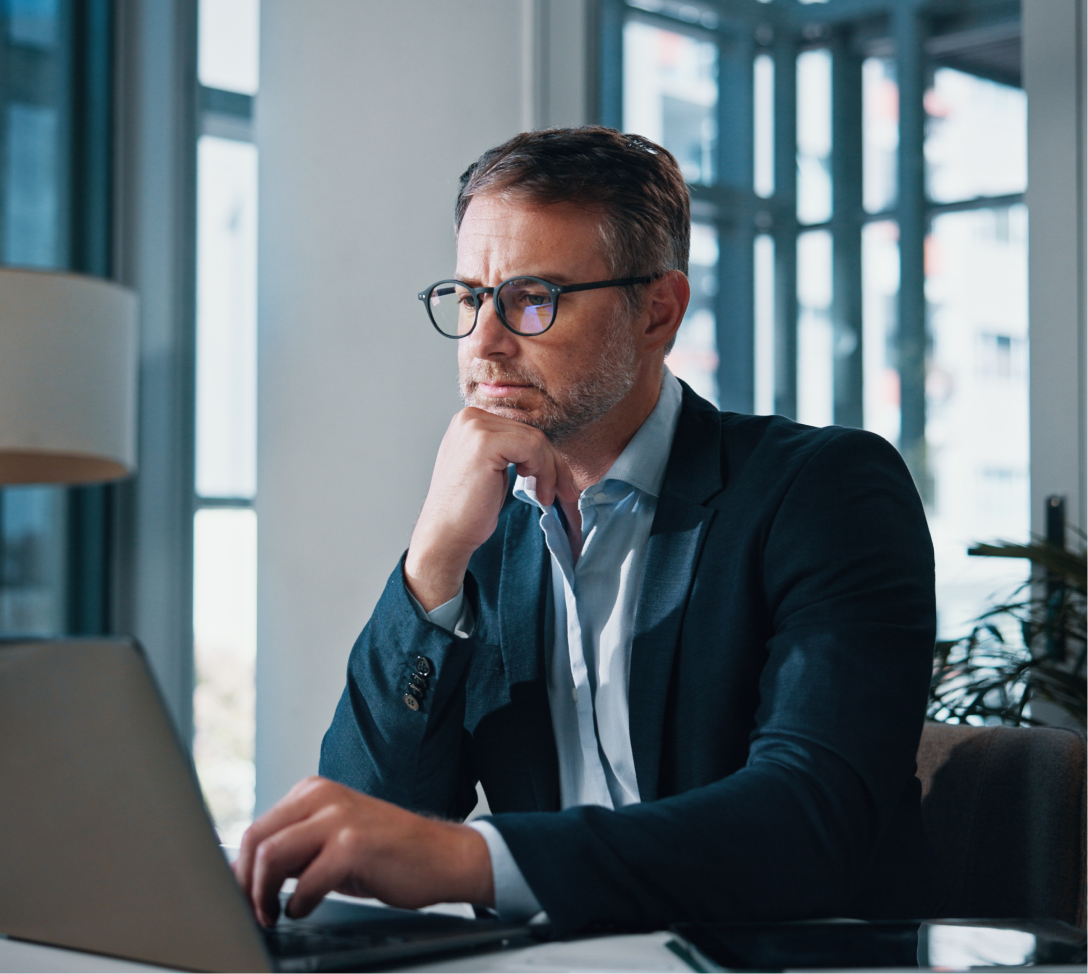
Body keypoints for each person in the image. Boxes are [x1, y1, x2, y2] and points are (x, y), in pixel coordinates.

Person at [234, 126, 944, 937]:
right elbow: (372, 820)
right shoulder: (480, 529)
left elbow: (811, 822)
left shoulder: (823, 492)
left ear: (658, 312)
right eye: (468, 297)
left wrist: (476, 861)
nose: (484, 342)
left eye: (532, 298)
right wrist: (432, 563)